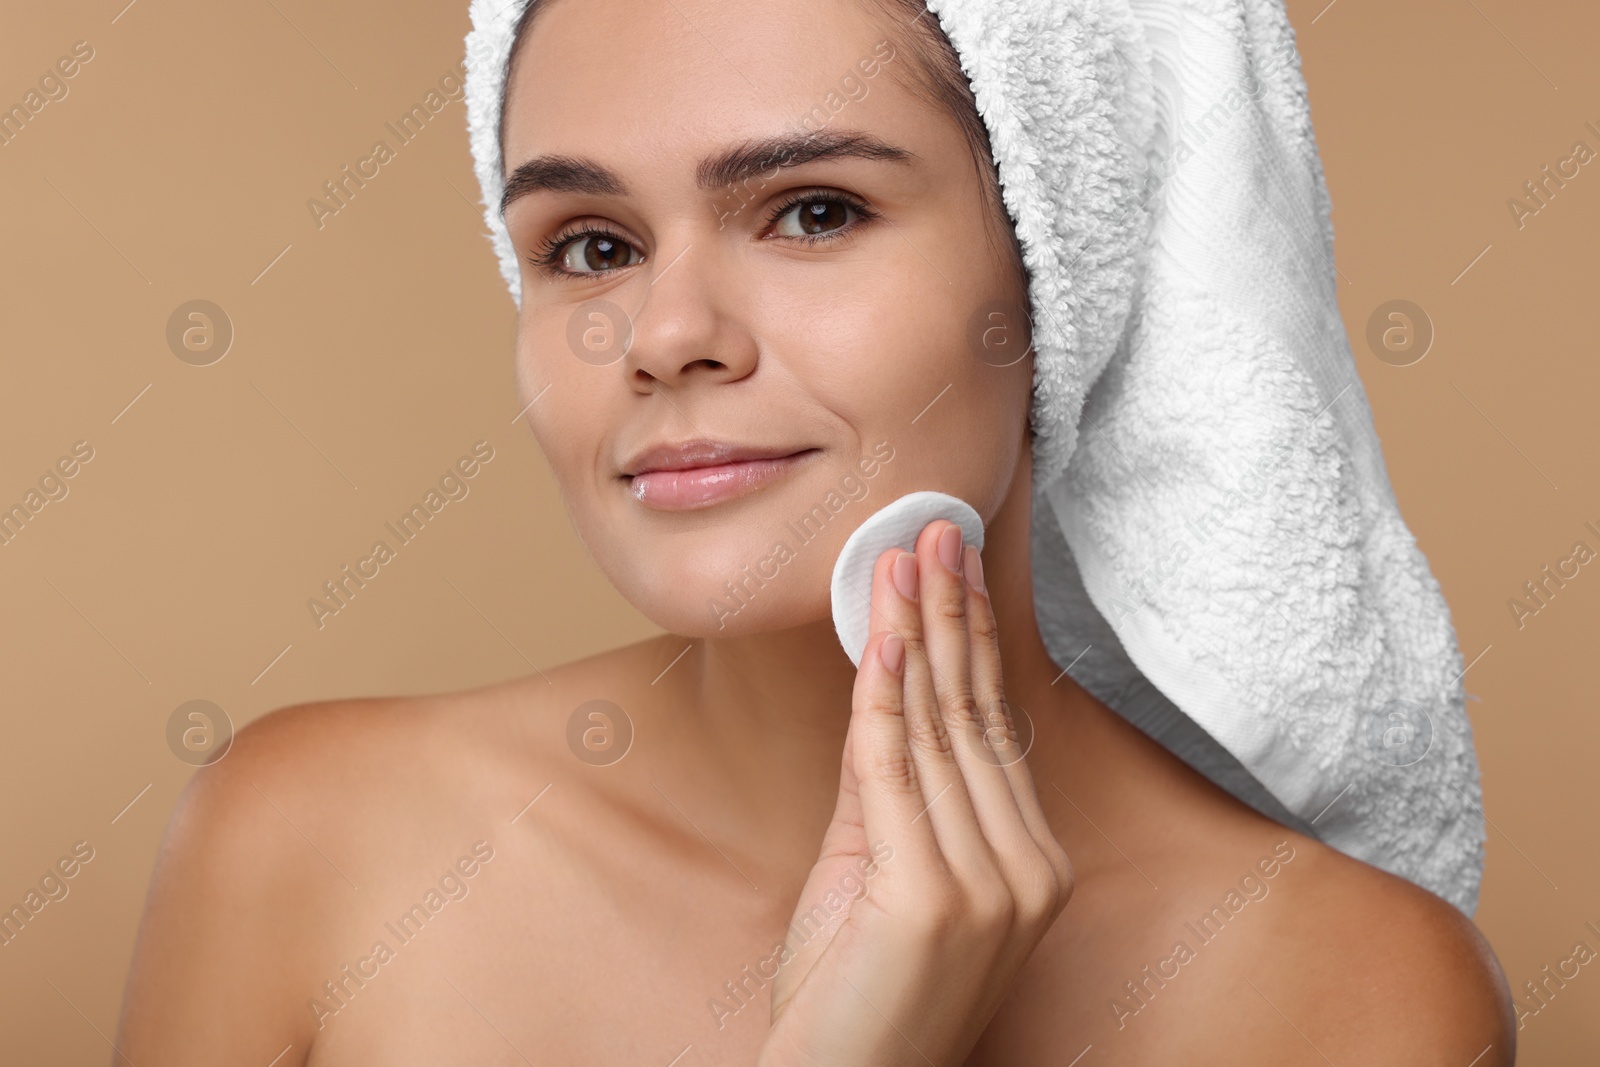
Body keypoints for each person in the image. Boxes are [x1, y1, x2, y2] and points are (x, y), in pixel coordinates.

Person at [114, 0, 1515, 1062]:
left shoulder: (1347, 990)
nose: (665, 337)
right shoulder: (313, 843)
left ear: (1058, 267)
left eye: (813, 210)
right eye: (591, 244)